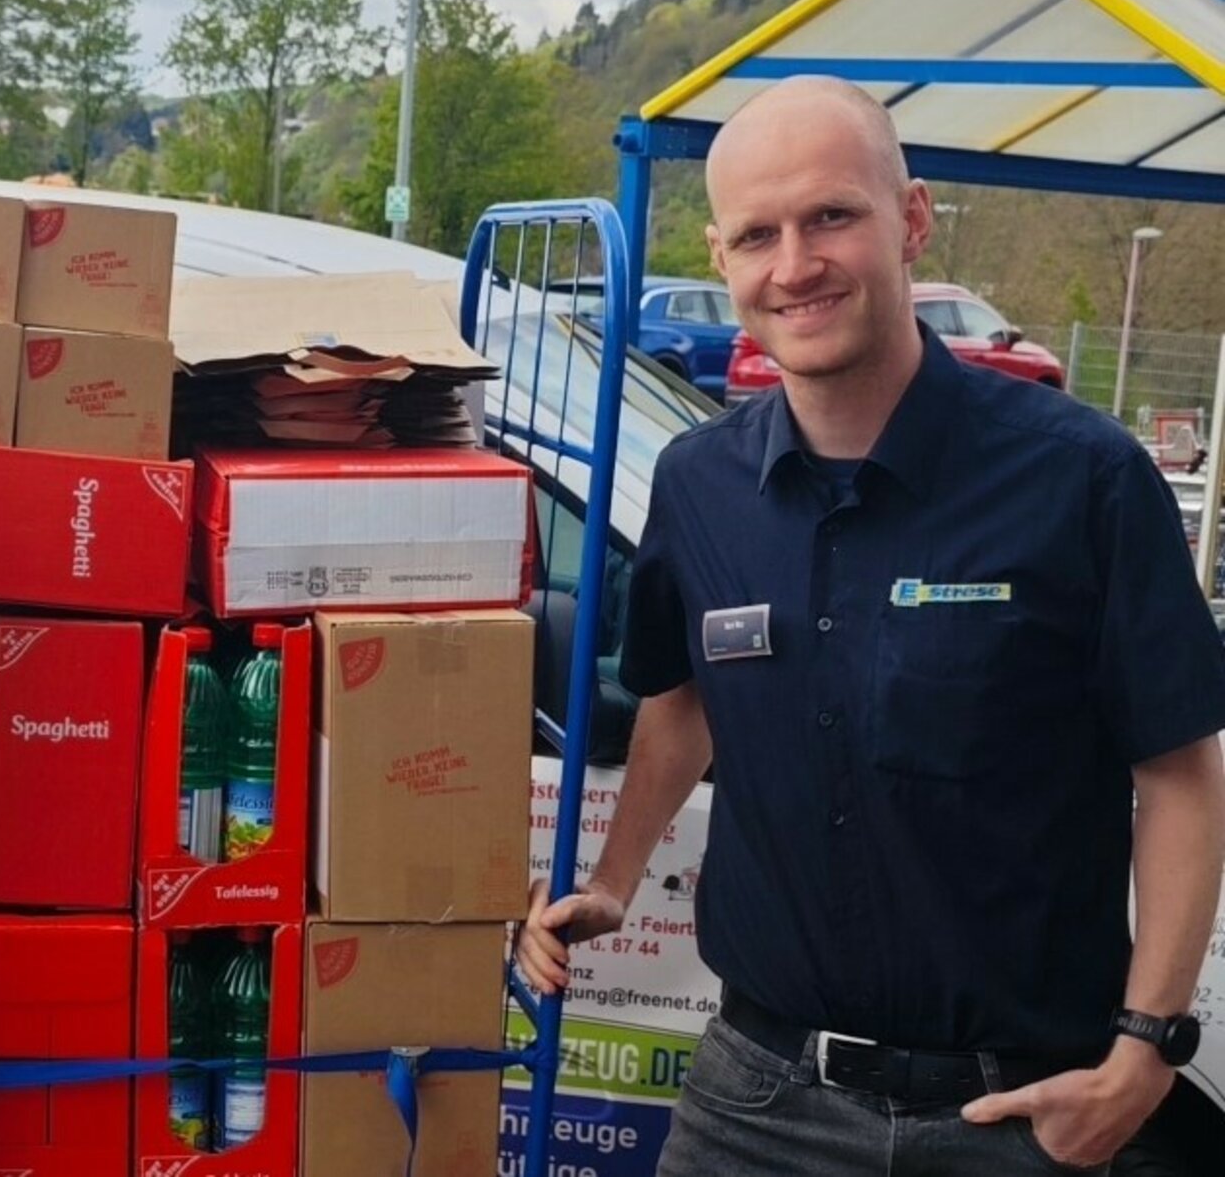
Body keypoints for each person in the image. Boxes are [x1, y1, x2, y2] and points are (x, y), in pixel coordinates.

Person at [516, 76, 1225, 1175]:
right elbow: (681, 694)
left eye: (829, 216)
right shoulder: (698, 485)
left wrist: (1145, 1050)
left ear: (911, 217)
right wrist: (609, 878)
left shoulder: (1079, 478)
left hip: (1018, 1116)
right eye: (757, 233)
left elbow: (1178, 772)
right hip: (754, 1107)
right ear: (719, 256)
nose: (792, 264)